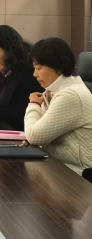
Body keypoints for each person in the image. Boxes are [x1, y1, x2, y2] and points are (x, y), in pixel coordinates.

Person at [24, 37, 92, 175]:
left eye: (39, 68)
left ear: (59, 66)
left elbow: (34, 135)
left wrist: (34, 104)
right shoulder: (53, 91)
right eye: (34, 68)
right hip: (57, 165)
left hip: (78, 174)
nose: (35, 74)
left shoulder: (70, 95)